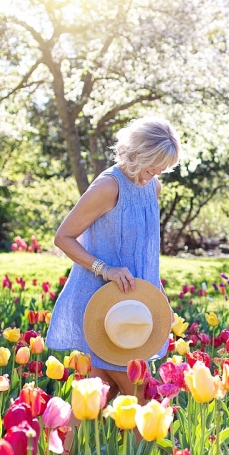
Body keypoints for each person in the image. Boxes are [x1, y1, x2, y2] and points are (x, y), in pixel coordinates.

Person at [46, 116, 182, 403]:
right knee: (144, 397)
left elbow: (146, 254)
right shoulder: (108, 187)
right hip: (107, 305)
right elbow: (63, 237)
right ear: (136, 154)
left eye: (162, 169)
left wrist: (160, 297)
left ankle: (61, 448)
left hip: (136, 304)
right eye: (152, 167)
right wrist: (104, 269)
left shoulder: (152, 187)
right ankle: (156, 450)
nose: (155, 175)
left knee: (97, 394)